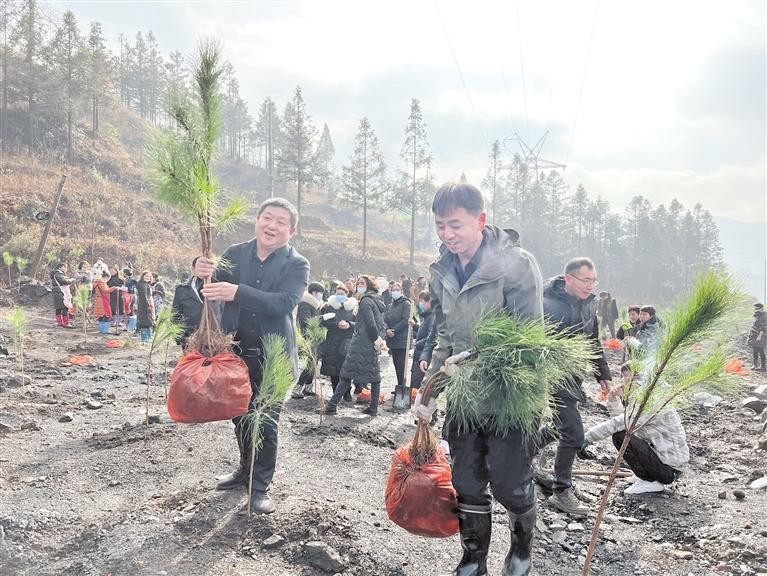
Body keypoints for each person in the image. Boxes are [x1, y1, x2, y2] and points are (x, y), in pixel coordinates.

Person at [413, 182, 543, 576]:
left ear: (481, 220)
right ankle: (473, 558)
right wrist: (431, 387)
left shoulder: (517, 264)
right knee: (466, 480)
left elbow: (526, 337)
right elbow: (445, 333)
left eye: (456, 225)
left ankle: (521, 549)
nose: (448, 235)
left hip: (511, 395)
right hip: (464, 395)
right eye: (440, 226)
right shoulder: (442, 271)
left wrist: (470, 357)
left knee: (509, 482)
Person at [195, 197, 309, 515]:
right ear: (257, 220)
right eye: (267, 218)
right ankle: (243, 472)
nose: (272, 226)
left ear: (292, 230)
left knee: (266, 424)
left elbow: (284, 303)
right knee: (240, 418)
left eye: (280, 222)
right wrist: (199, 271)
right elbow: (210, 288)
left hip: (274, 359)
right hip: (236, 356)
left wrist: (238, 292)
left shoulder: (297, 264)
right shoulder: (235, 254)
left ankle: (260, 488)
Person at [539, 257, 612, 517]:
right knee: (573, 432)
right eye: (586, 280)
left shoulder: (590, 304)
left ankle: (527, 453)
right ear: (568, 278)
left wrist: (602, 372)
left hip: (572, 376)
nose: (590, 286)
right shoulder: (545, 303)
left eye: (594, 281)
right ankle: (561, 490)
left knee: (563, 427)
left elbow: (592, 339)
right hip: (545, 375)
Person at [584, 363, 689, 494]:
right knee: (621, 434)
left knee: (621, 437)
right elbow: (622, 421)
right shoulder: (644, 395)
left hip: (669, 469)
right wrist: (613, 399)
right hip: (663, 462)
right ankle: (646, 475)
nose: (624, 383)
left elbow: (620, 423)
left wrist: (587, 437)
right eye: (623, 379)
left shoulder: (653, 400)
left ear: (639, 377)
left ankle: (650, 481)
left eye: (628, 379)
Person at [322, 275, 387, 417]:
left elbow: (370, 324)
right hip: (370, 343)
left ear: (369, 285)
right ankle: (373, 408)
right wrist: (379, 340)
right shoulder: (377, 301)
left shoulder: (365, 301)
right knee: (374, 376)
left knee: (346, 374)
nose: (359, 286)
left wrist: (376, 339)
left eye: (362, 283)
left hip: (361, 343)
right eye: (358, 283)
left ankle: (331, 406)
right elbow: (378, 323)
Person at [319, 285, 358, 397]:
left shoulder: (353, 307)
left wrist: (349, 324)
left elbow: (358, 324)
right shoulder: (329, 306)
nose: (340, 295)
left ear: (347, 294)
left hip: (347, 342)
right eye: (338, 293)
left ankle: (347, 392)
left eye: (342, 293)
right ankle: (336, 392)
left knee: (346, 369)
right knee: (333, 370)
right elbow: (324, 322)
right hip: (332, 341)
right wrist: (337, 325)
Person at [291, 281, 326, 399]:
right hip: (307, 338)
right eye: (320, 293)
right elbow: (306, 321)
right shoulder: (305, 304)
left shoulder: (316, 304)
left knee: (313, 362)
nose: (321, 295)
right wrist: (322, 317)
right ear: (314, 292)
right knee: (310, 363)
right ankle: (297, 388)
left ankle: (308, 387)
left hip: (313, 337)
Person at [170, 257, 206, 351]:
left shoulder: (218, 288)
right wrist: (181, 338)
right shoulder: (182, 289)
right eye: (200, 266)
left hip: (213, 338)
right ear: (193, 269)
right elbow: (175, 315)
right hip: (190, 338)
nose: (204, 269)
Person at [384, 281, 413, 393]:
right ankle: (399, 386)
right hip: (392, 339)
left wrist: (395, 330)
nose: (395, 292)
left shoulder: (406, 304)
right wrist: (387, 330)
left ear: (401, 292)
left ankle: (402, 386)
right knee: (396, 364)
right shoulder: (390, 306)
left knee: (402, 365)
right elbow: (384, 320)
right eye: (393, 290)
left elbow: (406, 320)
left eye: (397, 290)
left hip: (402, 339)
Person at [410, 291, 435, 390]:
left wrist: (417, 343)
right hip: (419, 355)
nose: (420, 304)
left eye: (421, 301)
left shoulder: (432, 317)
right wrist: (415, 326)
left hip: (423, 356)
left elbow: (431, 337)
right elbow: (423, 331)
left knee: (418, 385)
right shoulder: (427, 316)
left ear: (429, 302)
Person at [51, 262, 75, 328]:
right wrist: (71, 280)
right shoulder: (58, 274)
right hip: (61, 292)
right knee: (65, 307)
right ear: (60, 267)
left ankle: (60, 322)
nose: (66, 269)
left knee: (58, 308)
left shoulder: (56, 274)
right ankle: (66, 323)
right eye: (65, 267)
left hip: (57, 292)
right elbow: (64, 281)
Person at [135, 271, 155, 343]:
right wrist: (148, 305)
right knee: (145, 322)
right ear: (142, 276)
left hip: (147, 304)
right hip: (144, 306)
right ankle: (145, 340)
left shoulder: (146, 284)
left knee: (148, 322)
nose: (147, 278)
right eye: (146, 276)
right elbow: (144, 296)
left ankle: (147, 339)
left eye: (149, 276)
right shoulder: (142, 284)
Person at [748, 303, 767, 371]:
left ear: (761, 308)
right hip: (754, 335)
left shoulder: (764, 315)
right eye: (755, 308)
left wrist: (759, 336)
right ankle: (755, 365)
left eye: (757, 308)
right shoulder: (757, 315)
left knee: (760, 350)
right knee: (755, 350)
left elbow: (763, 327)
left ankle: (763, 366)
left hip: (761, 336)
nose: (755, 309)